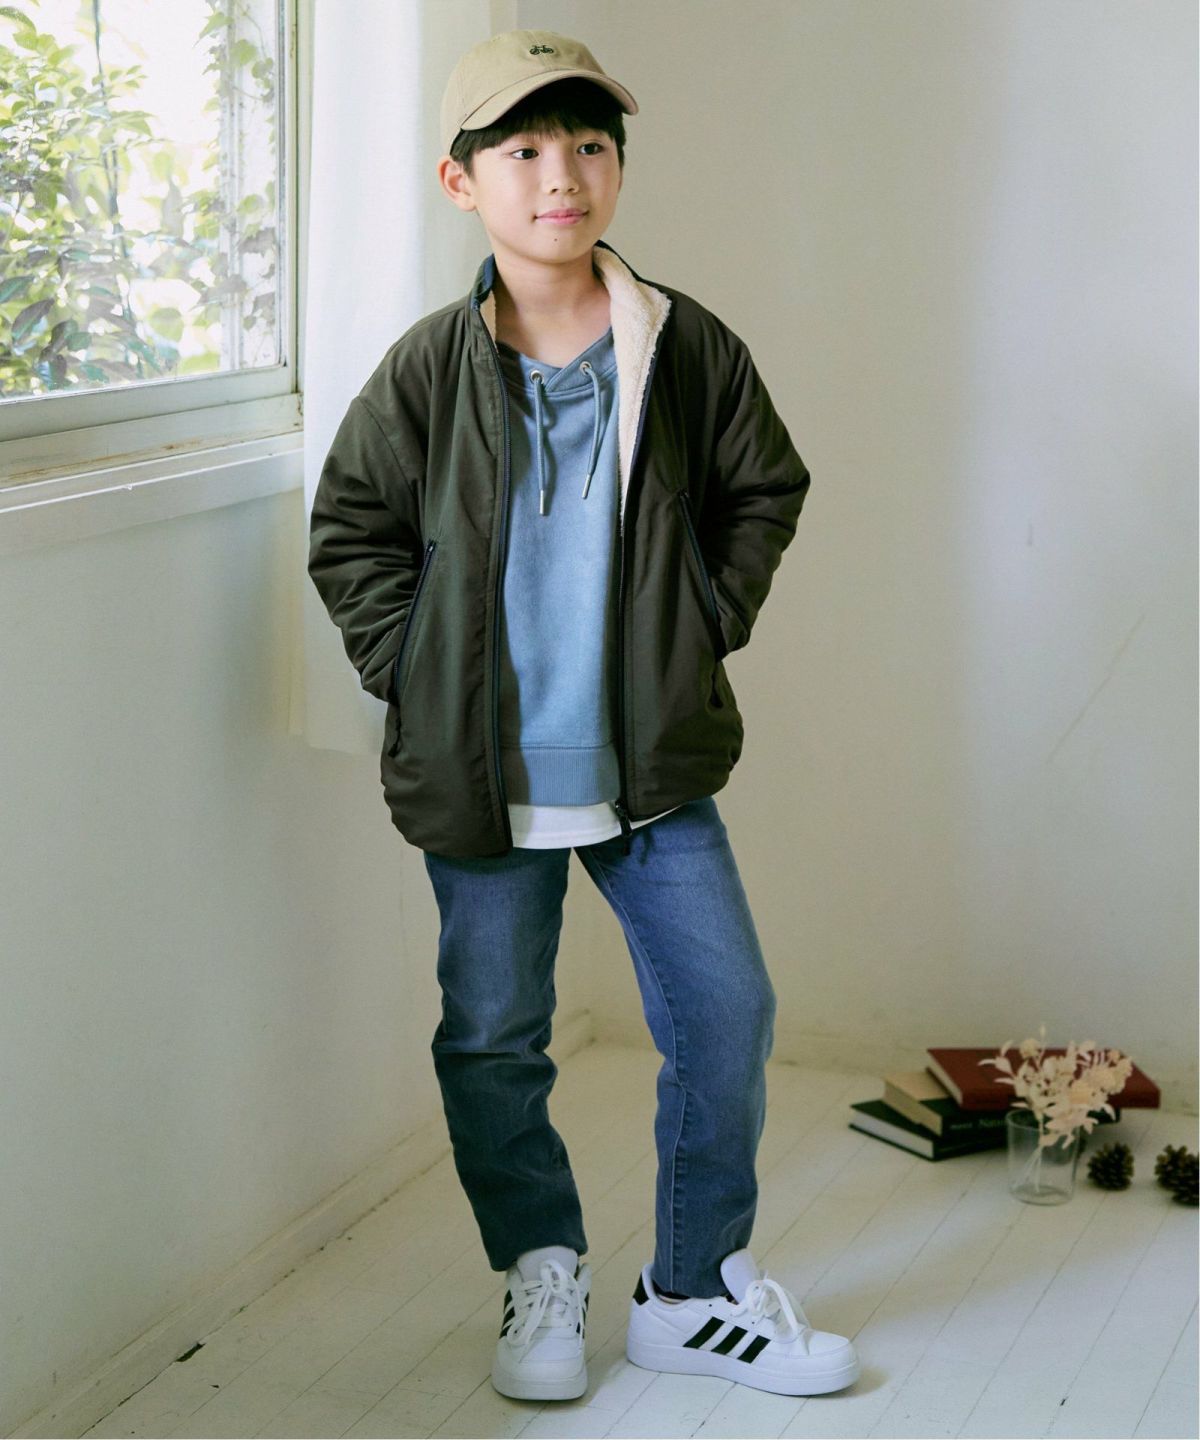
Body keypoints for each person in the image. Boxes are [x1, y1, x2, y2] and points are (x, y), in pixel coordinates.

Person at [307, 27, 860, 1407]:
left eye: (590, 144)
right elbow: (350, 531)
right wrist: (416, 670)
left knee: (726, 1014)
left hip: (648, 768)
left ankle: (692, 1290)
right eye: (525, 149)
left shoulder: (683, 347)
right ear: (461, 181)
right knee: (494, 1036)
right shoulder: (426, 372)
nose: (563, 174)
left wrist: (701, 622)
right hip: (484, 776)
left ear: (616, 167)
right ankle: (540, 1264)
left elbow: (765, 488)